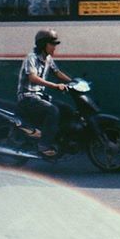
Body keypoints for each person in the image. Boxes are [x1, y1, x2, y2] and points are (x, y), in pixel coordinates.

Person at [17, 28, 72, 157]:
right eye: (52, 44)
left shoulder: (47, 59)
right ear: (43, 44)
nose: (54, 48)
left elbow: (57, 73)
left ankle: (57, 139)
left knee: (67, 109)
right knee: (53, 110)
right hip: (27, 97)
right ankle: (44, 146)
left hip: (40, 96)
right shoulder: (32, 58)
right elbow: (33, 77)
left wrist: (73, 82)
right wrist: (54, 85)